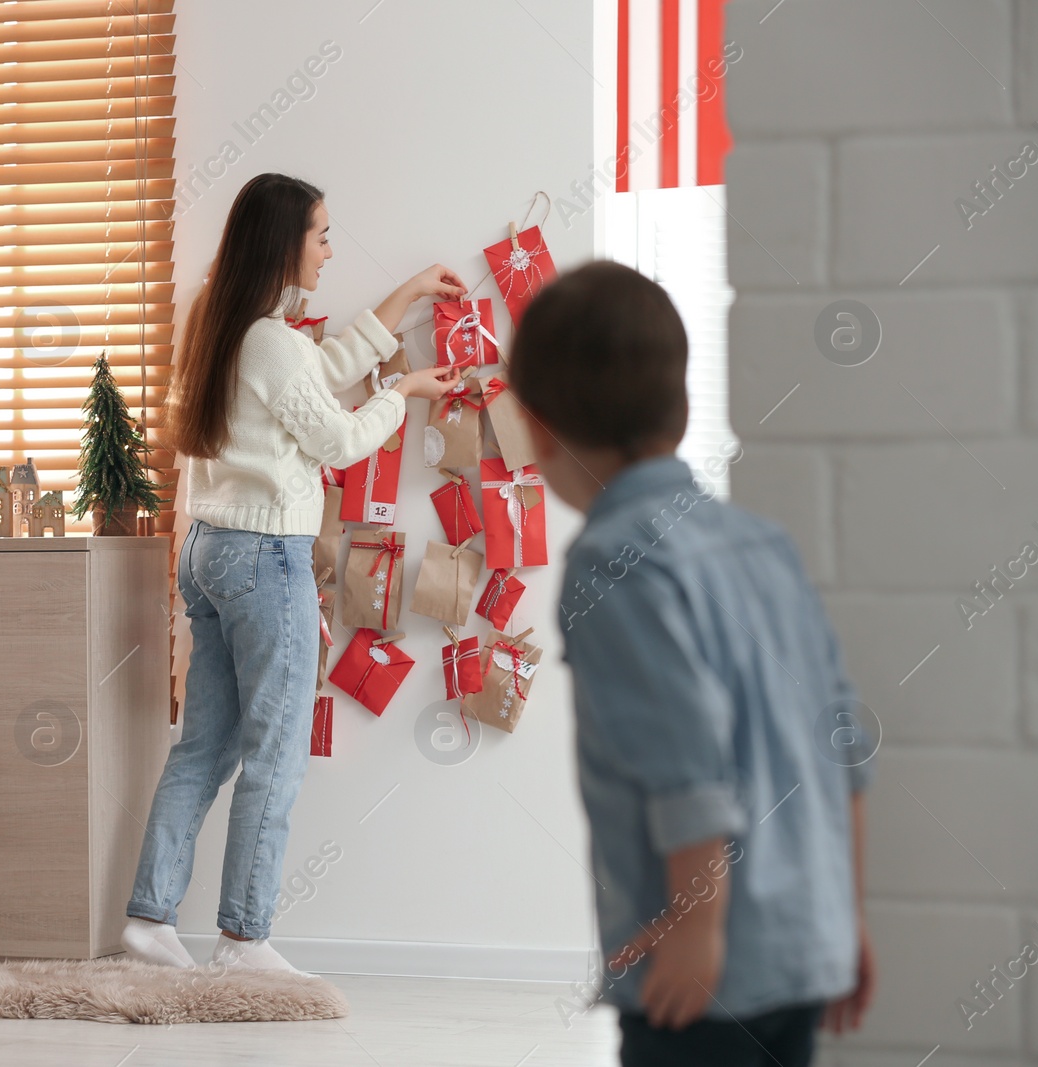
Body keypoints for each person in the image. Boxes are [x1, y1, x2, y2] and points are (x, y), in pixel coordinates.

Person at [506, 262, 876, 1065]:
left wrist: (697, 923)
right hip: (804, 940)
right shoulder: (763, 544)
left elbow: (685, 758)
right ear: (682, 402)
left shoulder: (608, 561)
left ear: (537, 428)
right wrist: (844, 913)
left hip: (703, 968)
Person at [121, 172, 465, 973]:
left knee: (203, 746)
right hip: (261, 558)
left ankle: (150, 918)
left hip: (206, 551)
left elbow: (325, 366)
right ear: (284, 242)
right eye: (320, 234)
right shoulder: (270, 340)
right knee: (276, 751)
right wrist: (405, 392)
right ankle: (244, 936)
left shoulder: (219, 319)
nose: (329, 247)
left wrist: (408, 294)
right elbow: (340, 440)